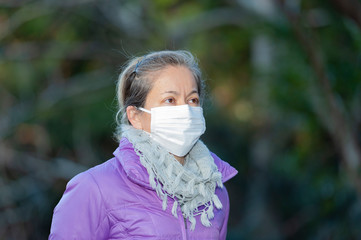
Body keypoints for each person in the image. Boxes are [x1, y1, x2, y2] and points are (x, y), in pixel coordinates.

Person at [49, 50, 237, 239]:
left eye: (192, 100)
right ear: (135, 116)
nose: (185, 110)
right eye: (170, 100)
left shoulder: (214, 192)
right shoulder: (94, 188)